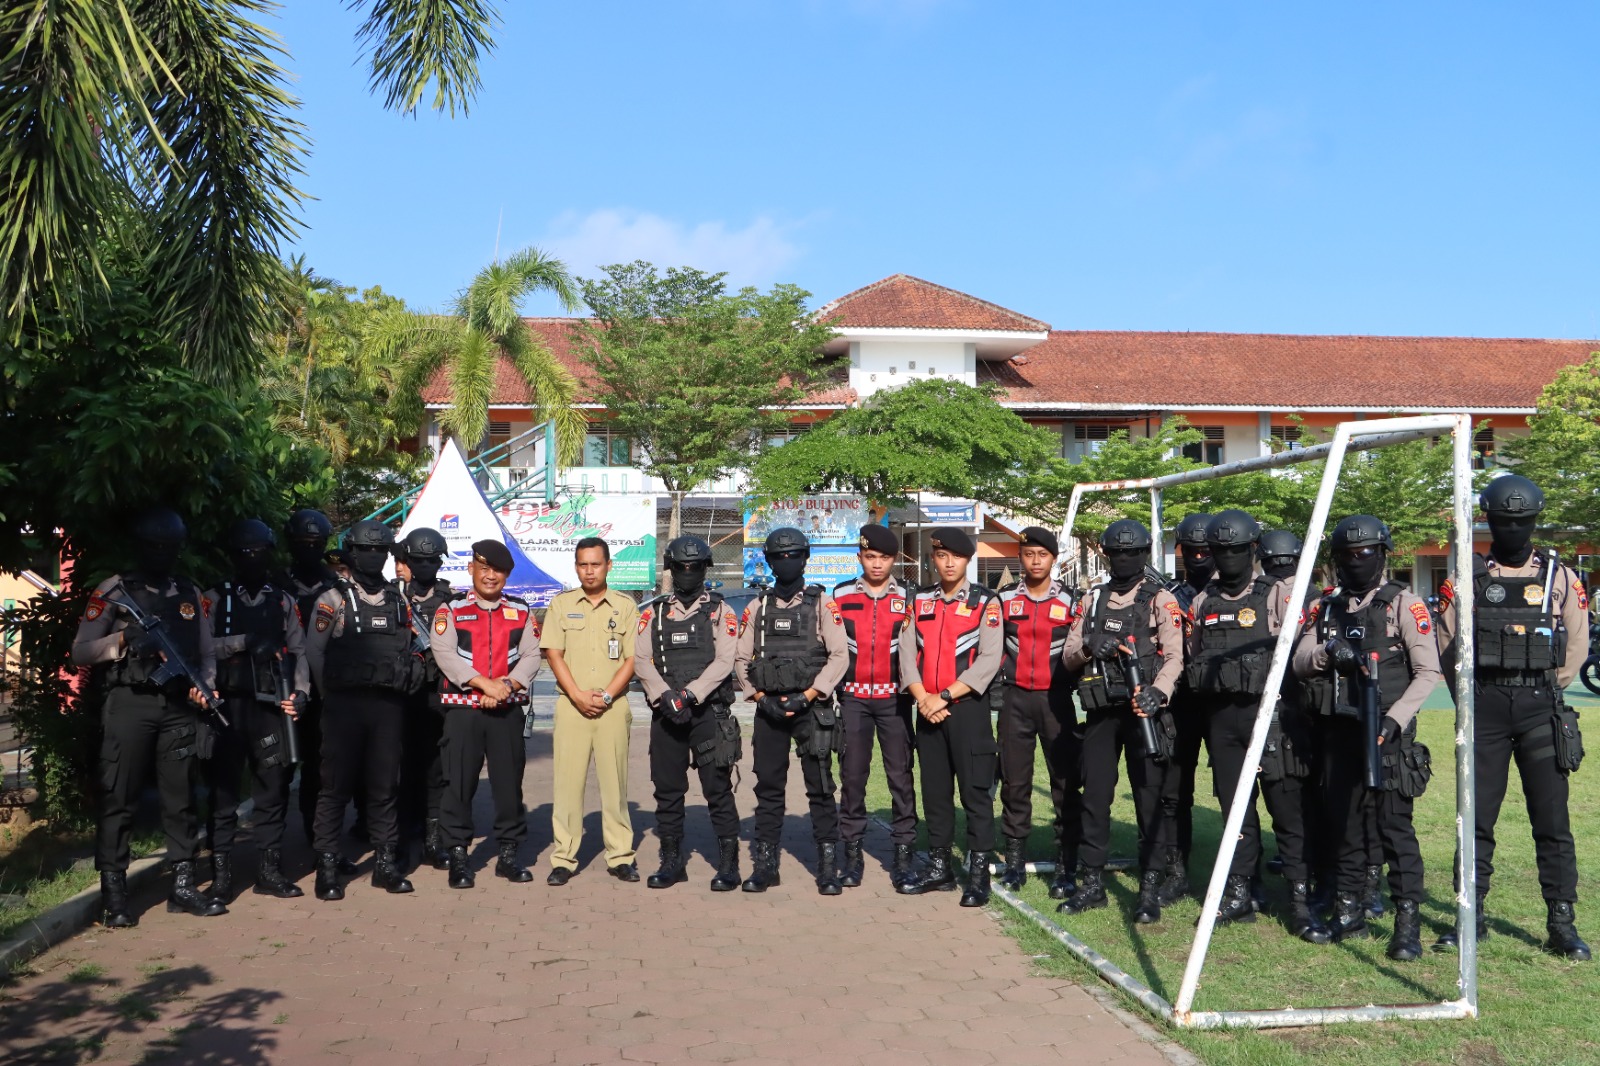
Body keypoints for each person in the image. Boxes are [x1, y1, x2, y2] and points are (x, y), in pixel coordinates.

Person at [1434, 475, 1592, 960]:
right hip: (1485, 709)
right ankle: (1470, 915)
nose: (1514, 529)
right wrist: (1472, 697)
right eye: (1504, 521)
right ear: (1490, 521)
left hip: (1540, 708)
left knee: (1552, 818)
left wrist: (1545, 686)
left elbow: (1577, 645)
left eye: (1522, 521)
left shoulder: (1561, 578)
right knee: (1476, 817)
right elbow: (1446, 646)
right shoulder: (1464, 579)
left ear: (1534, 521)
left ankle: (1561, 922)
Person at [71, 507, 226, 925]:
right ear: (140, 547)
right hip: (130, 703)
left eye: (170, 548)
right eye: (155, 547)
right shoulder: (114, 591)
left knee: (181, 798)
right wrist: (122, 639)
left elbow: (207, 653)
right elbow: (80, 651)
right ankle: (115, 893)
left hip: (178, 707)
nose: (162, 554)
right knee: (119, 795)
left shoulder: (189, 593)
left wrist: (205, 687)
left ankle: (182, 884)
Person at [1294, 515, 1440, 959]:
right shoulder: (1325, 607)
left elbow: (1427, 671)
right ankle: (1350, 909)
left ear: (1382, 554)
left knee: (1394, 828)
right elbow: (1298, 660)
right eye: (1347, 556)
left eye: (1365, 554)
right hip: (1339, 730)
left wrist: (1394, 721)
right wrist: (1326, 652)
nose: (1357, 562)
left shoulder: (1403, 604)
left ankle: (1407, 921)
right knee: (1346, 826)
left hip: (1388, 735)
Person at [1186, 510, 1327, 943]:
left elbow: (1300, 653)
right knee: (1235, 812)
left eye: (1235, 549)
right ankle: (1241, 892)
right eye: (1219, 550)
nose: (1226, 557)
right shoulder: (1201, 601)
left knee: (1288, 809)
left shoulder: (1279, 595)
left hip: (1276, 717)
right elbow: (1195, 652)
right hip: (1223, 720)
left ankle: (1301, 900)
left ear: (1252, 551)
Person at [1058, 520, 1183, 923]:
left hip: (1143, 711)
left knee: (1150, 799)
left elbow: (1175, 655)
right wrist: (1090, 646)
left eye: (1132, 553)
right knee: (1095, 797)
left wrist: (1157, 692)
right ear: (1106, 555)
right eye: (1117, 553)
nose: (1124, 559)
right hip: (1100, 713)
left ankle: (1149, 887)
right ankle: (1092, 884)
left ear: (1145, 554)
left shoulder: (1160, 599)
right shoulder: (1093, 599)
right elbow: (1070, 653)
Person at [303, 519, 424, 901]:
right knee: (335, 787)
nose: (373, 557)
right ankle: (327, 865)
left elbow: (417, 644)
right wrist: (329, 695)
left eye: (380, 551)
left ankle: (385, 863)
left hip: (387, 706)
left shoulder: (397, 599)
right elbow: (314, 652)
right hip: (343, 707)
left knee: (385, 785)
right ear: (352, 553)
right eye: (366, 551)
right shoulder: (332, 599)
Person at [735, 527, 851, 895]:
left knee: (820, 789)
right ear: (769, 562)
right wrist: (758, 697)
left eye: (793, 556)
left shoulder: (822, 603)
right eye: (779, 557)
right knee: (769, 789)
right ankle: (766, 866)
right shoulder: (758, 606)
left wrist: (810, 694)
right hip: (769, 710)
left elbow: (839, 656)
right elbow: (740, 659)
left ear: (805, 558)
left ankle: (828, 867)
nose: (787, 562)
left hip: (811, 710)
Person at [200, 519, 310, 902]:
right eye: (245, 553)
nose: (252, 559)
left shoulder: (282, 600)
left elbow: (299, 651)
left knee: (273, 787)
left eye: (259, 552)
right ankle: (221, 875)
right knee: (224, 791)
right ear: (233, 556)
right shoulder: (214, 599)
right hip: (227, 707)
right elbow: (200, 648)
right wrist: (242, 642)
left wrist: (300, 692)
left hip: (269, 705)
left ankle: (269, 870)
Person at [899, 527, 1003, 907]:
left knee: (976, 794)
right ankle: (939, 867)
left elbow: (990, 660)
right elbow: (907, 656)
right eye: (940, 556)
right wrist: (922, 697)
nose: (947, 563)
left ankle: (978, 875)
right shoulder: (920, 600)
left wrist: (942, 696)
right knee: (935, 793)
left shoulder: (986, 602)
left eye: (955, 557)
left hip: (966, 711)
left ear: (967, 560)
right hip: (927, 711)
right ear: (933, 558)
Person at [634, 535, 743, 891]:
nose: (687, 573)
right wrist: (665, 696)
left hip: (707, 713)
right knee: (667, 791)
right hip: (666, 713)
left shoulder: (720, 610)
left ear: (704, 569)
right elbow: (640, 658)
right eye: (681, 567)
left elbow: (725, 660)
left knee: (718, 790)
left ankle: (728, 865)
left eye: (695, 567)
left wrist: (689, 695)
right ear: (671, 568)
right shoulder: (654, 611)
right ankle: (672, 861)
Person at [431, 539, 542, 888]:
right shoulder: (450, 610)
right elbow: (444, 654)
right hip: (463, 712)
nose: (490, 575)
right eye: (484, 567)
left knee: (508, 784)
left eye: (498, 570)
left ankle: (508, 854)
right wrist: (483, 685)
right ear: (471, 569)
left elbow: (532, 656)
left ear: (506, 575)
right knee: (458, 785)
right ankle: (459, 857)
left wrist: (506, 687)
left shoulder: (521, 611)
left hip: (505, 711)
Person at [541, 536, 640, 885]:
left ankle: (620, 856)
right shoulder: (561, 604)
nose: (589, 571)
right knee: (567, 786)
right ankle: (564, 858)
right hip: (572, 706)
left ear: (608, 565)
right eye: (583, 564)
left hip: (612, 707)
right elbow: (553, 653)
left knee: (615, 784)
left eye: (595, 564)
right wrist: (578, 695)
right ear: (576, 566)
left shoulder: (625, 606)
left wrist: (609, 696)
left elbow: (633, 658)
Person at [994, 526, 1081, 900]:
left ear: (1054, 559)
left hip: (1057, 701)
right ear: (1020, 558)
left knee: (1065, 783)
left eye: (1042, 554)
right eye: (1028, 554)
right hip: (1014, 700)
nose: (1035, 561)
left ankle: (1066, 865)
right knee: (1015, 783)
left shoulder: (1074, 602)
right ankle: (1015, 862)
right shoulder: (1001, 601)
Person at [833, 524, 917, 889]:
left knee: (901, 777)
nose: (877, 564)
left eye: (884, 558)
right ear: (860, 558)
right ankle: (851, 858)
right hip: (852, 699)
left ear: (894, 560)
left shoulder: (911, 597)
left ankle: (903, 857)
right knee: (852, 778)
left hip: (894, 699)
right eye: (870, 557)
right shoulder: (839, 595)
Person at [278, 508, 343, 847]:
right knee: (278, 771)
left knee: (321, 773)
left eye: (316, 542)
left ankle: (319, 845)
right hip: (282, 692)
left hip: (323, 692)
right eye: (302, 542)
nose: (309, 548)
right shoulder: (275, 583)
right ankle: (270, 856)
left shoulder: (336, 586)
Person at [1158, 511, 1213, 905]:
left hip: (1225, 702)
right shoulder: (1169, 595)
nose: (1197, 557)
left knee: (1238, 791)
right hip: (1181, 702)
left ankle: (1245, 873)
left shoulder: (1238, 592)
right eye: (1189, 549)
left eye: (1204, 549)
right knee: (1174, 791)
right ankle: (1176, 870)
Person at [395, 528, 457, 869]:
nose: (425, 566)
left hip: (438, 694)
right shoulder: (393, 597)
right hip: (403, 695)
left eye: (432, 560)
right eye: (419, 560)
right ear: (409, 560)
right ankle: (406, 839)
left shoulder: (450, 599)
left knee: (436, 768)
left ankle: (434, 840)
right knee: (402, 769)